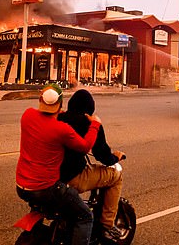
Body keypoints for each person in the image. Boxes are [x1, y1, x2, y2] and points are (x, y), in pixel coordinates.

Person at [16, 84, 102, 245]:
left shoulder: (27, 115)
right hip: (47, 188)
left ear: (40, 100)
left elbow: (43, 119)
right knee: (85, 216)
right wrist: (95, 124)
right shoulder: (61, 129)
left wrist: (57, 114)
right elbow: (85, 146)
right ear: (61, 104)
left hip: (22, 187)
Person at [58, 89, 126, 244]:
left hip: (52, 176)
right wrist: (116, 156)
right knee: (116, 176)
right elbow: (103, 156)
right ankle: (107, 225)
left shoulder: (58, 118)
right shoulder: (90, 123)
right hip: (73, 176)